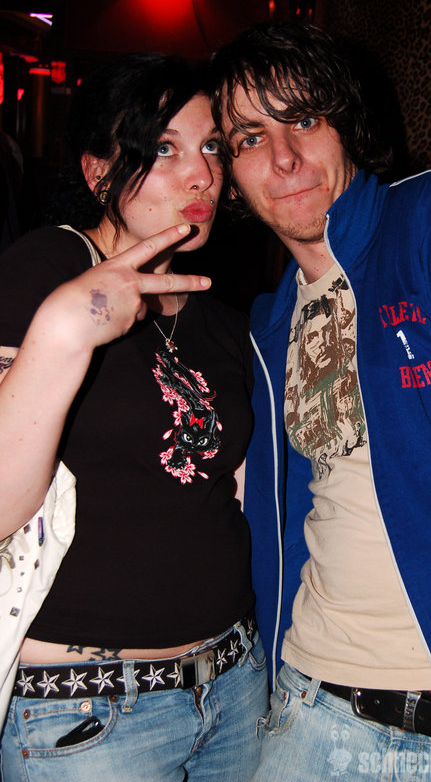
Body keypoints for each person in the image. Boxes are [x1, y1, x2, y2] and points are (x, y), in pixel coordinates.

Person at [209, 22, 431, 780]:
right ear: (229, 172)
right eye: (250, 137)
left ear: (346, 123)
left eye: (304, 119)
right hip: (308, 714)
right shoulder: (269, 322)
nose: (283, 157)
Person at [0, 52, 268, 782]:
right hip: (88, 713)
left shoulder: (221, 317)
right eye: (164, 149)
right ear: (98, 172)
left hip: (235, 685)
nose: (201, 175)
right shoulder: (48, 271)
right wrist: (65, 329)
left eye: (212, 147)